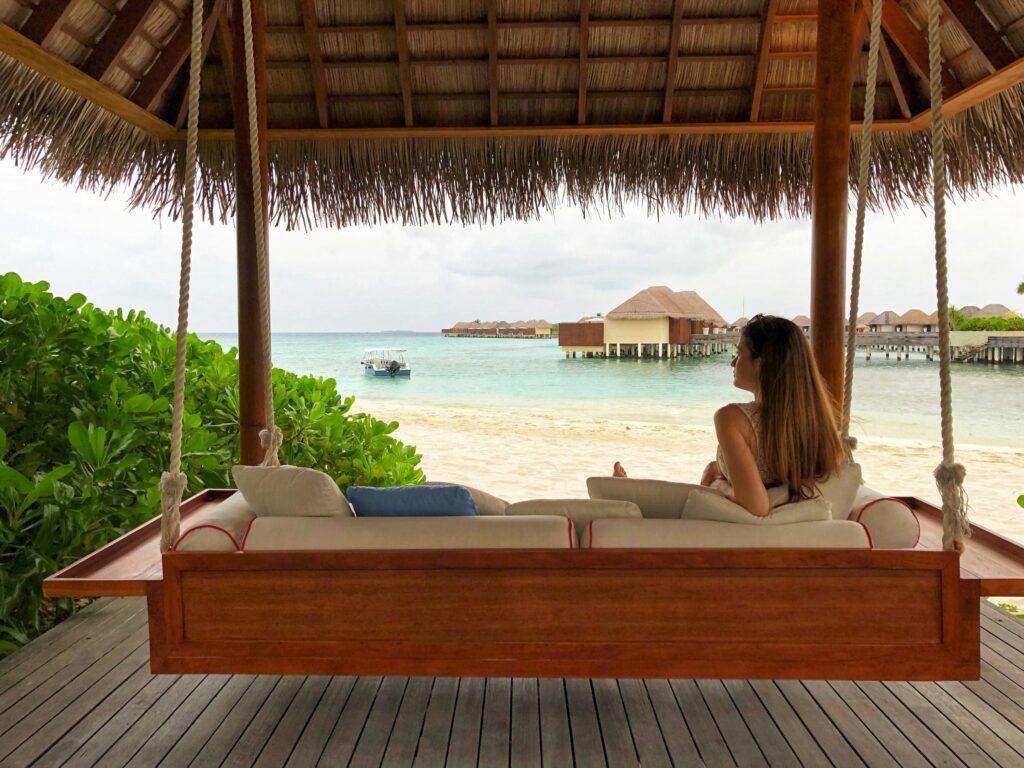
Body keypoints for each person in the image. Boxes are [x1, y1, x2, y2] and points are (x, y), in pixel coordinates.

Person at [612, 314, 845, 517]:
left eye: (739, 353)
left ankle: (629, 498)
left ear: (762, 363)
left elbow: (757, 506)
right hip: (786, 536)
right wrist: (716, 471)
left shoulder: (732, 419)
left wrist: (719, 486)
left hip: (729, 535)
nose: (732, 362)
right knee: (711, 468)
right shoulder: (816, 424)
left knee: (699, 481)